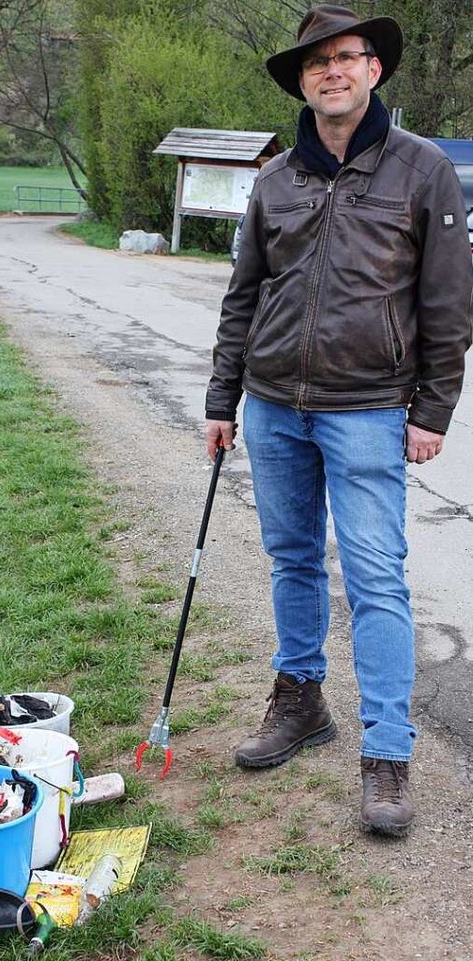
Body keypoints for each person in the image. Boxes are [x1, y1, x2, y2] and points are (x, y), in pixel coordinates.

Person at [205, 4, 472, 837]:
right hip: (275, 405)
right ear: (304, 81)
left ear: (373, 70)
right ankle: (300, 699)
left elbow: (449, 299)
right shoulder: (276, 178)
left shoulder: (422, 169)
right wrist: (223, 398)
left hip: (368, 413)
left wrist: (432, 408)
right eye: (315, 63)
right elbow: (244, 293)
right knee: (292, 562)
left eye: (345, 58)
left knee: (377, 580)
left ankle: (387, 754)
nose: (331, 72)